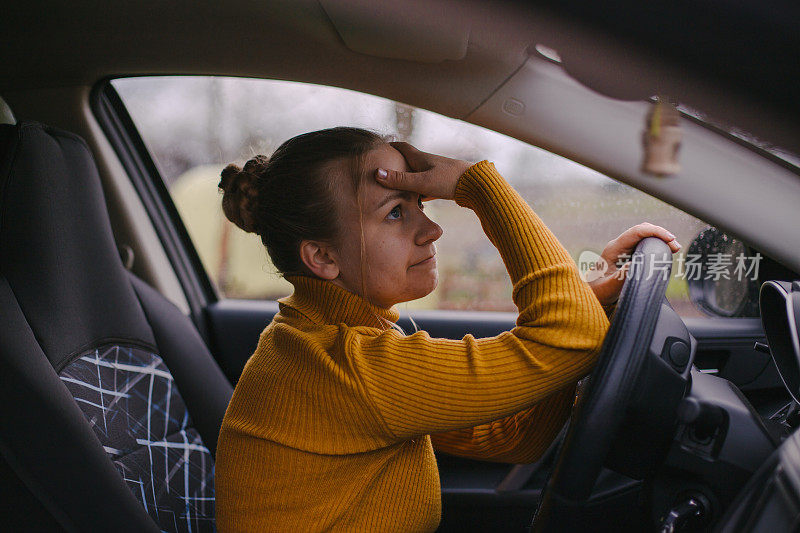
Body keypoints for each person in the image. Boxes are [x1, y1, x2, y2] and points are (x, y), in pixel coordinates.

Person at [214, 127, 681, 532]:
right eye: (396, 212)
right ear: (323, 257)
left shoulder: (318, 341)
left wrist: (593, 301)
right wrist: (475, 186)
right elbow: (568, 339)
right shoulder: (347, 366)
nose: (432, 229)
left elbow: (514, 438)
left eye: (419, 204)